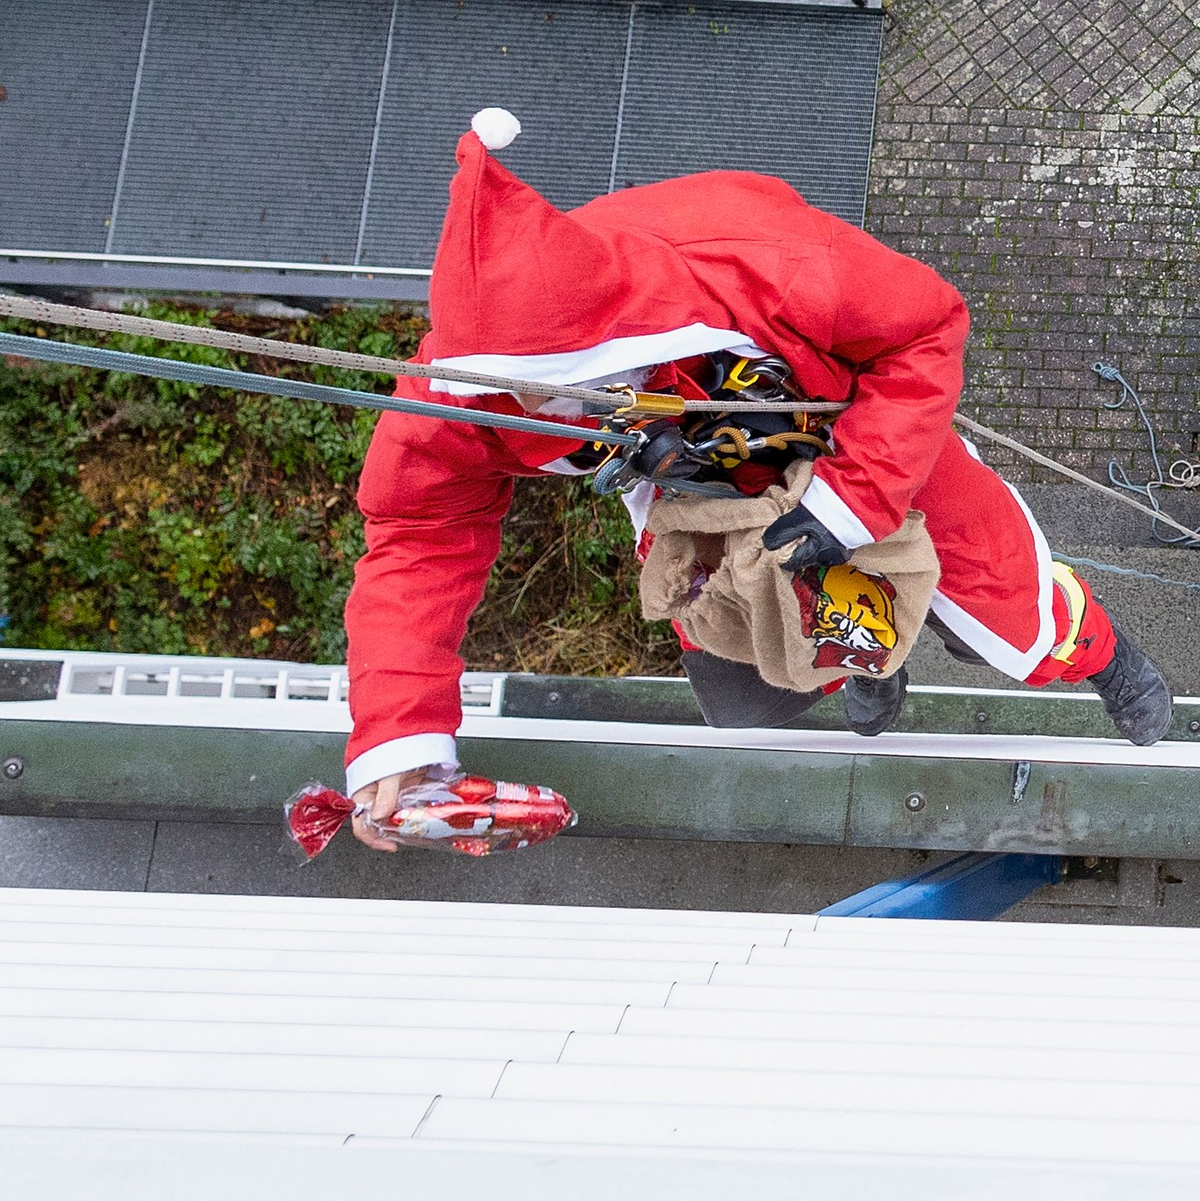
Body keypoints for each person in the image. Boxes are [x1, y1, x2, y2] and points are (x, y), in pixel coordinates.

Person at [344, 109, 1172, 852]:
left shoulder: (765, 267)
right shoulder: (464, 384)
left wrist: (854, 499)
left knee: (997, 593)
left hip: (857, 427)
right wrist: (401, 735)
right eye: (513, 395)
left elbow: (927, 327)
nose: (526, 410)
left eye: (553, 386)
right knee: (739, 640)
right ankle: (863, 664)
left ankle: (1098, 650)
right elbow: (417, 534)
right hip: (691, 474)